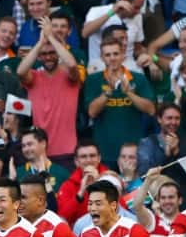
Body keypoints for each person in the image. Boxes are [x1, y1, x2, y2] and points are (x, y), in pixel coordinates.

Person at [17, 16, 81, 162]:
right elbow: (20, 71)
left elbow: (71, 64)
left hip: (67, 150)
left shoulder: (70, 77)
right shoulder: (34, 77)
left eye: (52, 53)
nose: (48, 57)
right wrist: (40, 43)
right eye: (44, 54)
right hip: (40, 151)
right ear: (39, 57)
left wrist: (51, 37)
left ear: (58, 54)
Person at [84, 37, 155, 166]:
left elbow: (151, 109)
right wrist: (108, 92)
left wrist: (129, 93)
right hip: (104, 152)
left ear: (123, 55)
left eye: (116, 54)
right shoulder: (93, 80)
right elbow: (91, 112)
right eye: (108, 54)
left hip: (133, 152)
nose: (112, 58)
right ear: (101, 57)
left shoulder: (138, 78)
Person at [82, 0, 146, 72]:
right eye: (136, 7)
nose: (139, 12)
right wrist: (112, 12)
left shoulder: (137, 17)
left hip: (128, 66)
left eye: (140, 7)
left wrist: (153, 60)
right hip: (100, 65)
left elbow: (138, 48)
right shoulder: (97, 11)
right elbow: (85, 33)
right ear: (124, 1)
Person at [56, 141, 110, 224]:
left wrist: (99, 183)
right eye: (83, 157)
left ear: (99, 158)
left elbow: (121, 211)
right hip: (80, 232)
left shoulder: (111, 178)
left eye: (92, 156)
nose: (88, 160)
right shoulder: (68, 185)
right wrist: (80, 193)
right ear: (76, 161)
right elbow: (63, 217)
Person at [11, 128, 70, 194]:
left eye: (30, 144)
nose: (26, 149)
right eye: (23, 146)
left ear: (43, 144)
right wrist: (11, 182)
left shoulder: (62, 173)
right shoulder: (18, 173)